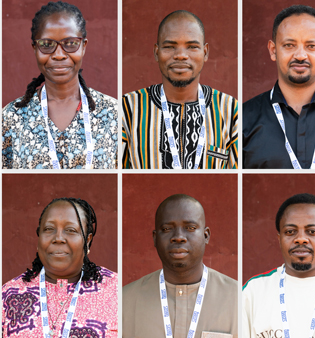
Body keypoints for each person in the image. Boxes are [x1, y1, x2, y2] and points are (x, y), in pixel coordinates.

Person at [2, 1, 118, 169]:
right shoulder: (11, 117)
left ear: (83, 46)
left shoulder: (113, 114)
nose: (58, 55)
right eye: (47, 45)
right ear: (35, 48)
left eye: (70, 43)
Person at [243, 5, 315, 169]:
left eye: (311, 46)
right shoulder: (243, 119)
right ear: (273, 50)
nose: (300, 55)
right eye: (289, 45)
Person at [122, 10, 238, 169]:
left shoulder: (230, 110)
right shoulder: (127, 108)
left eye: (192, 46)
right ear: (157, 53)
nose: (181, 55)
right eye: (170, 46)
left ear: (205, 53)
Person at [243, 193, 315, 337]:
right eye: (290, 232)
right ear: (279, 239)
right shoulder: (253, 292)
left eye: (312, 232)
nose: (301, 239)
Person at [123, 194, 237, 338]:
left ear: (206, 235)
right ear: (155, 238)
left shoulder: (239, 298)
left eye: (190, 227)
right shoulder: (124, 301)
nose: (178, 237)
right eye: (166, 229)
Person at [2, 198, 118, 337]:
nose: (58, 238)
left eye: (70, 230)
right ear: (39, 239)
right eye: (49, 229)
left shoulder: (116, 291)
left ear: (87, 241)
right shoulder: (8, 295)